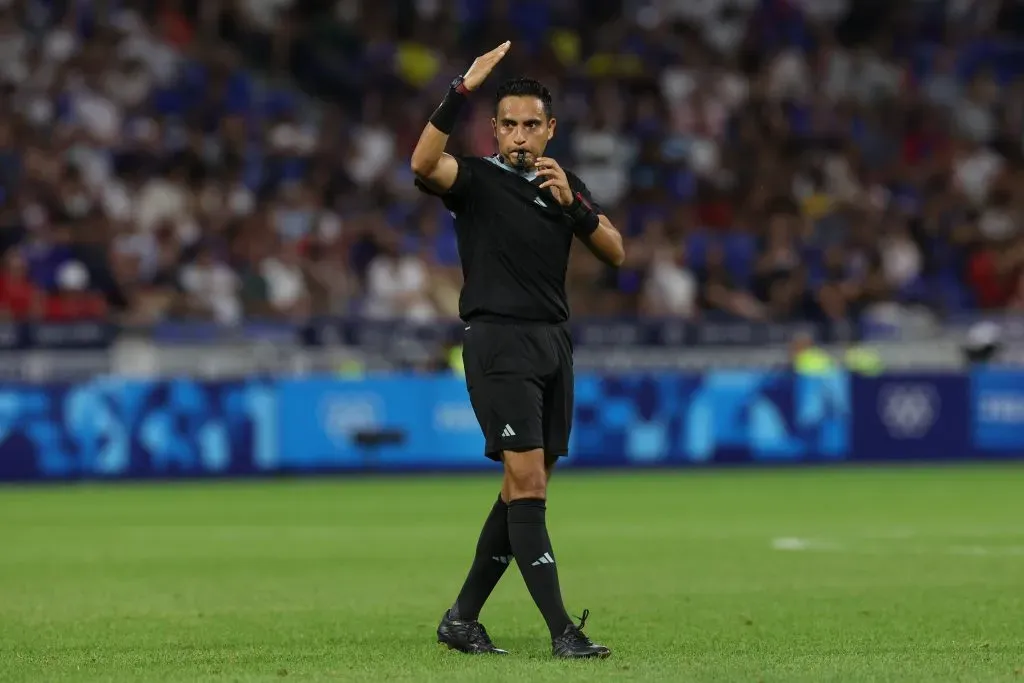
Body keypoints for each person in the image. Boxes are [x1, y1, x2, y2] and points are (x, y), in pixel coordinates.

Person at [410, 42, 625, 659]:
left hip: (552, 343)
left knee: (522, 487)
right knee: (527, 481)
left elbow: (615, 251)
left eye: (532, 123)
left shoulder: (565, 187)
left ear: (550, 129)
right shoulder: (476, 178)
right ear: (494, 128)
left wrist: (575, 206)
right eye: (509, 123)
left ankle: (462, 618)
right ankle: (563, 631)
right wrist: (461, 90)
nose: (520, 134)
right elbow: (425, 163)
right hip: (497, 340)